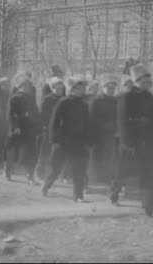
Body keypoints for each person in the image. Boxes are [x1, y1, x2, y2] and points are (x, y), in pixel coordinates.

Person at [110, 64, 153, 216]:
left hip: (146, 142)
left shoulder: (149, 96)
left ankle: (149, 206)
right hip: (130, 142)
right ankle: (114, 192)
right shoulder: (126, 96)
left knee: (148, 173)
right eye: (143, 82)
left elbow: (152, 119)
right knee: (122, 172)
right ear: (136, 81)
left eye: (148, 82)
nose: (146, 85)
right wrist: (126, 143)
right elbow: (122, 121)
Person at [41, 75, 91, 203]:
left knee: (78, 169)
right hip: (63, 141)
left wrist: (87, 141)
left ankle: (78, 196)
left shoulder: (84, 105)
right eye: (79, 88)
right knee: (56, 167)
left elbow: (87, 124)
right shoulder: (63, 102)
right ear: (72, 89)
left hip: (78, 142)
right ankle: (46, 185)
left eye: (83, 88)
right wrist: (55, 141)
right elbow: (54, 122)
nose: (82, 90)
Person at [4, 73, 41, 184]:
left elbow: (36, 113)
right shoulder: (14, 98)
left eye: (29, 85)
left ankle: (30, 176)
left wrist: (38, 125)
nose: (29, 87)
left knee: (31, 152)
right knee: (12, 151)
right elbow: (10, 115)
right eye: (26, 85)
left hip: (29, 129)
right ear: (20, 86)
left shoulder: (31, 99)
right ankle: (8, 170)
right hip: (17, 129)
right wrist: (15, 127)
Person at [87, 74, 119, 184]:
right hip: (98, 134)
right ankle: (94, 179)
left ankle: (106, 178)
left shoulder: (116, 101)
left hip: (111, 134)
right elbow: (91, 118)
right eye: (109, 88)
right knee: (96, 156)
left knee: (109, 156)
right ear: (103, 88)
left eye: (113, 88)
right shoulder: (96, 101)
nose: (111, 90)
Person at [35, 77, 66, 180]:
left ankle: (57, 173)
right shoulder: (48, 99)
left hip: (61, 130)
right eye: (57, 88)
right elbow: (43, 114)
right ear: (52, 88)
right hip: (49, 128)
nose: (59, 91)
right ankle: (40, 171)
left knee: (58, 152)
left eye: (61, 89)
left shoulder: (65, 99)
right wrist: (43, 127)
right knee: (44, 151)